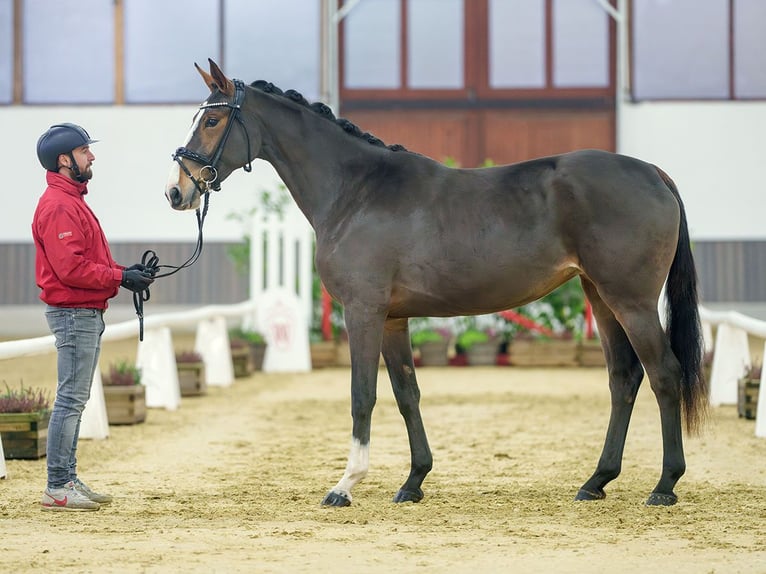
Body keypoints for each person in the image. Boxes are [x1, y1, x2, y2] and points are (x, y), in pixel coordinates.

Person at [32, 123, 155, 511]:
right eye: (85, 151)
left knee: (76, 398)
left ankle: (65, 477)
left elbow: (88, 262)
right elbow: (71, 269)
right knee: (70, 400)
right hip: (74, 313)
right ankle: (57, 485)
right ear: (65, 160)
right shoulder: (59, 206)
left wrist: (124, 272)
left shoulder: (71, 201)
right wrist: (120, 276)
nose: (92, 157)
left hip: (82, 311)